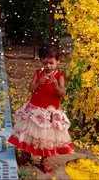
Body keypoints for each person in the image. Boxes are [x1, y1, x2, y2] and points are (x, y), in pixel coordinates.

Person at [8, 43, 73, 173]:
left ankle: (44, 159)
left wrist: (55, 85)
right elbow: (30, 89)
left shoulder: (59, 76)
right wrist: (38, 83)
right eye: (45, 63)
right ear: (41, 62)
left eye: (51, 63)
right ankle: (27, 154)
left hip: (49, 113)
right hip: (35, 111)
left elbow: (62, 94)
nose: (48, 66)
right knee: (30, 133)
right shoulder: (38, 73)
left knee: (46, 138)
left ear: (58, 61)